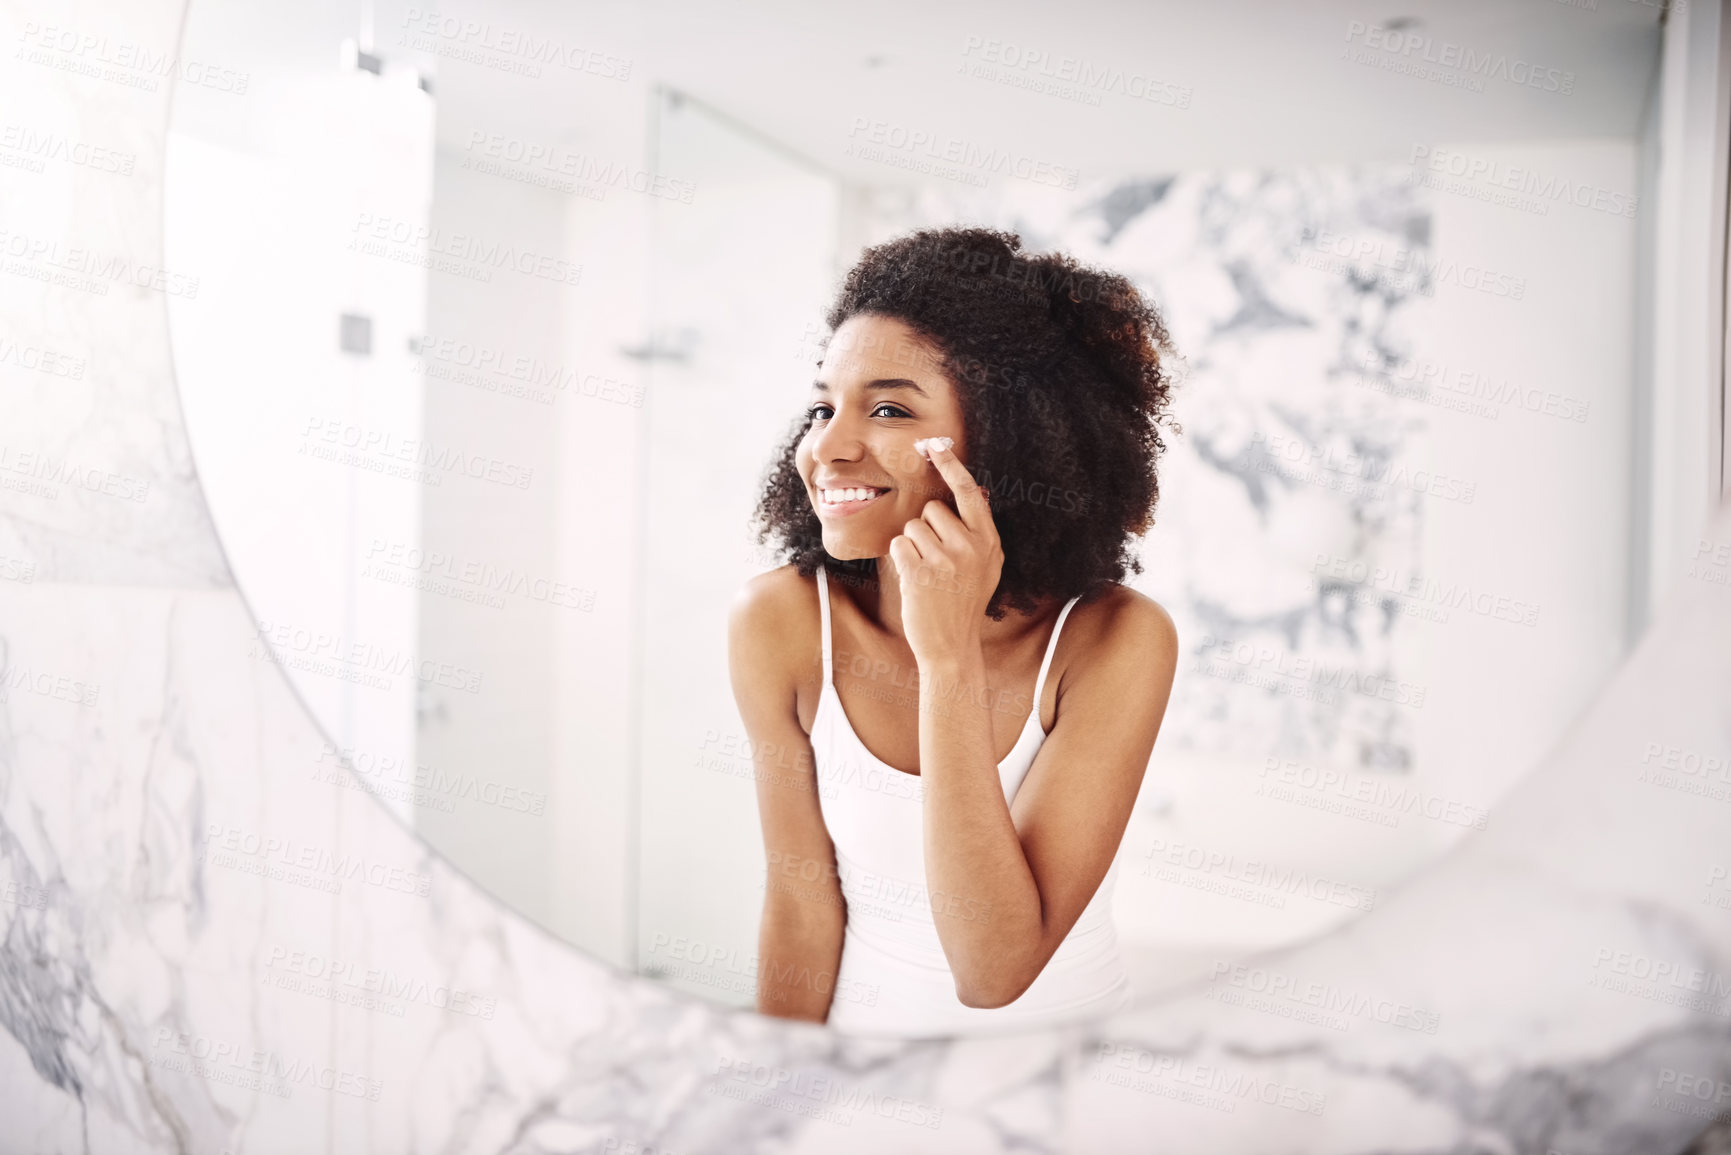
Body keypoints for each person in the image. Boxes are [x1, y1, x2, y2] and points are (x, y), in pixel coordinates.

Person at [728, 225, 1180, 1036]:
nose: (825, 447)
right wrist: (774, 1092)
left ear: (1015, 436)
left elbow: (992, 968)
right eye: (823, 405)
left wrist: (945, 660)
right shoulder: (780, 622)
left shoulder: (1114, 638)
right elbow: (799, 901)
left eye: (890, 408)